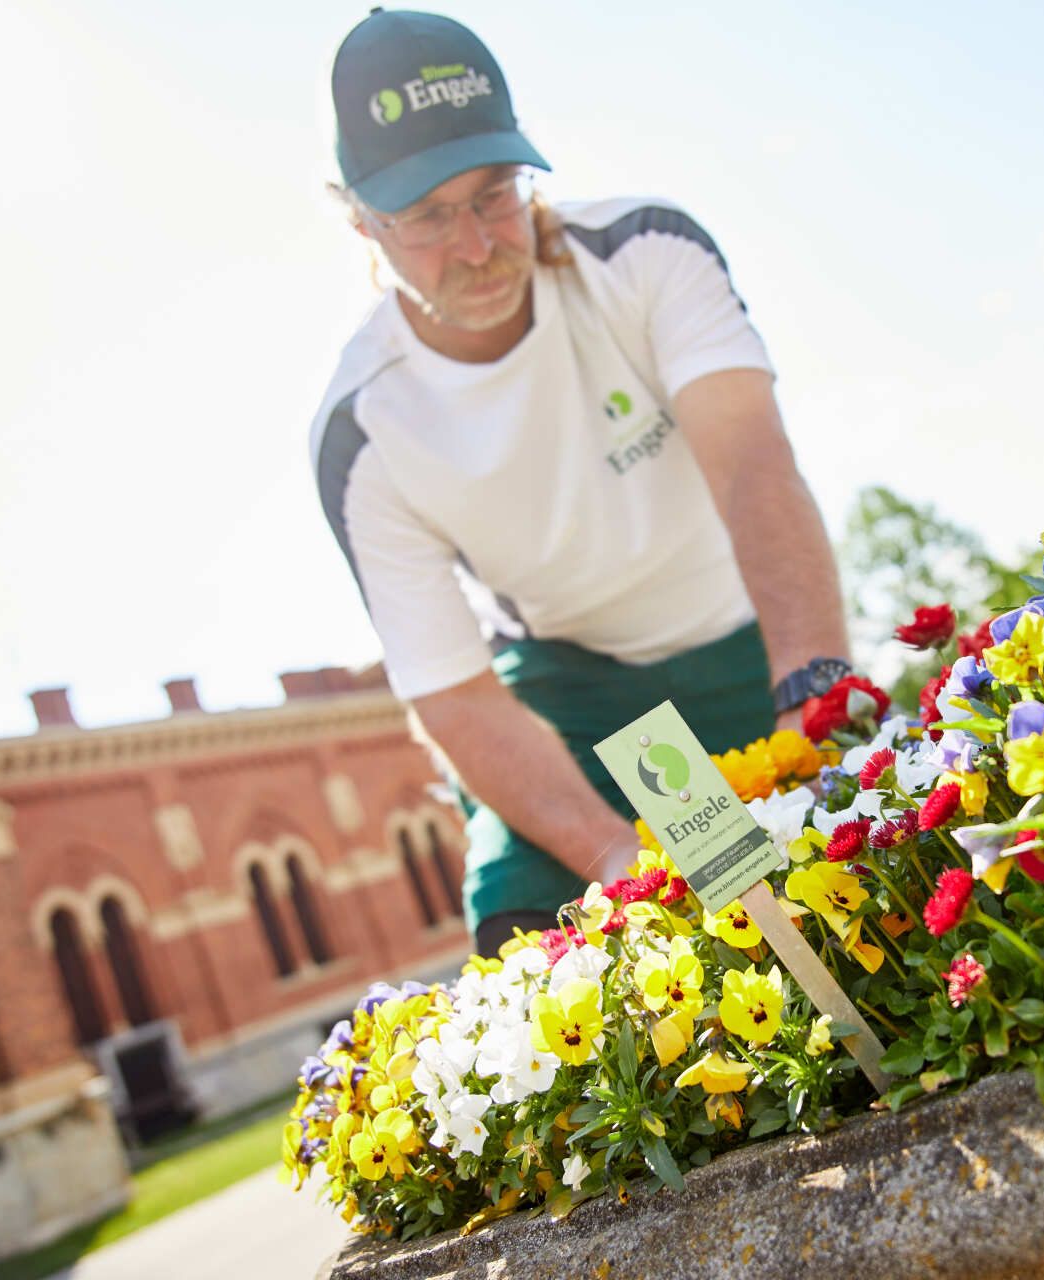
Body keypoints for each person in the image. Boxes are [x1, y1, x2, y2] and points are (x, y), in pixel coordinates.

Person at [309, 9, 855, 958]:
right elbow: (456, 695)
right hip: (576, 690)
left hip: (742, 639)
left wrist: (816, 687)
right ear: (361, 220)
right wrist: (617, 854)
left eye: (493, 196)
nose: (477, 246)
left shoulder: (647, 252)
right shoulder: (363, 434)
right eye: (430, 218)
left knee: (838, 910)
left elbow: (754, 469)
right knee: (542, 937)